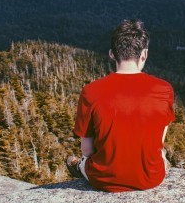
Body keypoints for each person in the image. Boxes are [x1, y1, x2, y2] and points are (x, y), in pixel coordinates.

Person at [66, 19, 175, 192]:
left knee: (84, 161)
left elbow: (87, 150)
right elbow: (159, 140)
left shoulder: (90, 91)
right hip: (150, 177)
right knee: (160, 154)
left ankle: (77, 166)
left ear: (112, 54)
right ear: (144, 54)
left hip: (103, 179)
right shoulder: (164, 89)